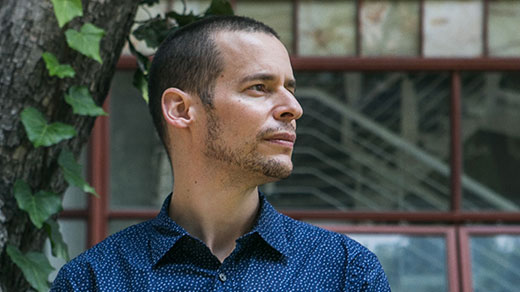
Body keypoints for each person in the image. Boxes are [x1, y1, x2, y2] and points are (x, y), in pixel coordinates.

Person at [51, 15, 390, 291]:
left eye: (290, 89)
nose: (294, 108)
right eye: (260, 87)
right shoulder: (92, 281)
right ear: (181, 109)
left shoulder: (346, 273)